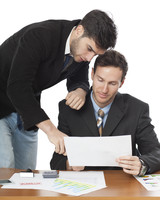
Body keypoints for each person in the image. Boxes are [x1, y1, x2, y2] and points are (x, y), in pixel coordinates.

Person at [0, 9, 117, 170]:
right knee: (4, 172)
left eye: (95, 54)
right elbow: (17, 87)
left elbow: (79, 76)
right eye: (90, 49)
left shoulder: (81, 49)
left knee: (27, 175)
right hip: (3, 103)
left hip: (26, 113)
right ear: (79, 30)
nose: (90, 58)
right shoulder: (39, 36)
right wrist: (52, 131)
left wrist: (80, 90)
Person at [50, 50, 160, 176]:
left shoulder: (137, 109)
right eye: (100, 80)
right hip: (83, 187)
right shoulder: (68, 108)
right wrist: (69, 164)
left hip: (123, 186)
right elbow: (56, 161)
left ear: (122, 83)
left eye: (112, 83)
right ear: (92, 74)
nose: (104, 89)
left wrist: (142, 164)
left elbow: (156, 153)